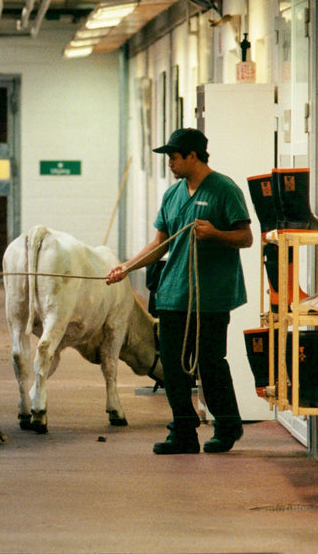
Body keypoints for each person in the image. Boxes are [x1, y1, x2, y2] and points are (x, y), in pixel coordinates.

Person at [106, 128, 253, 454]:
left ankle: (227, 425)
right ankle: (183, 431)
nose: (170, 164)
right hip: (174, 294)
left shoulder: (224, 190)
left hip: (210, 296)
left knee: (210, 363)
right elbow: (159, 245)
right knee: (172, 367)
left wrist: (215, 233)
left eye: (173, 157)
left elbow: (245, 238)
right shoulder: (172, 195)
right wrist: (126, 268)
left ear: (192, 156)